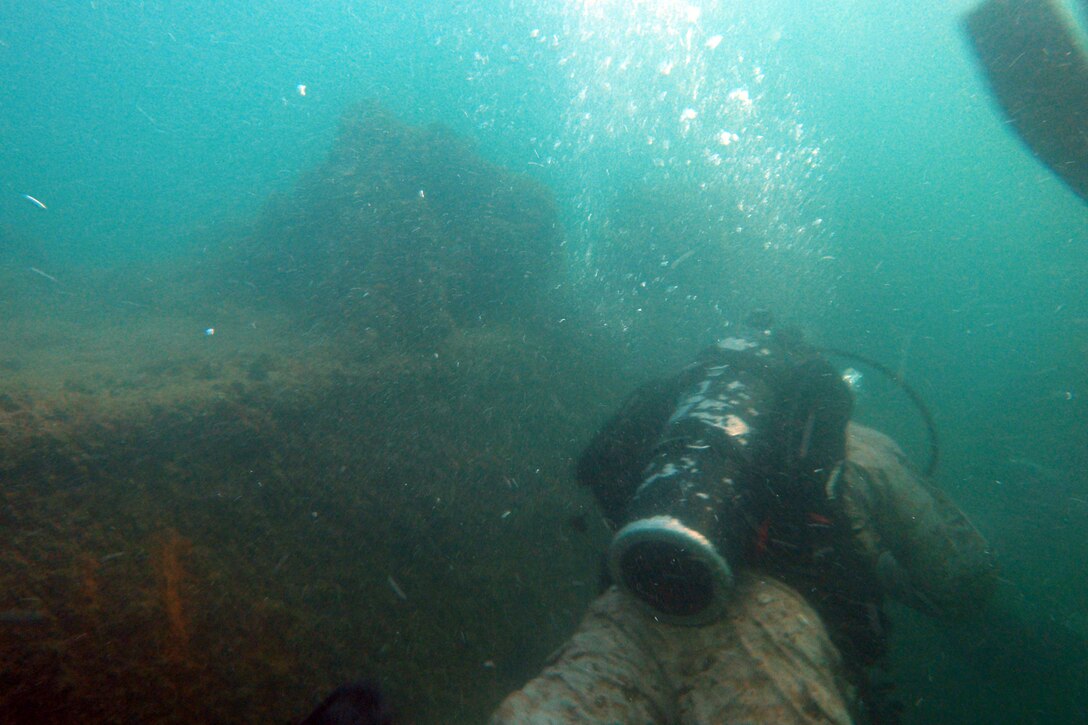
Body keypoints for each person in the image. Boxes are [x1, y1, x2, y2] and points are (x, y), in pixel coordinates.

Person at [490, 317, 998, 724]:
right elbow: (960, 577)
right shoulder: (866, 450)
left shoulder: (684, 427)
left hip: (643, 595)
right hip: (778, 634)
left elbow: (599, 471)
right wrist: (882, 572)